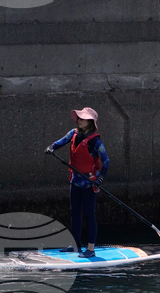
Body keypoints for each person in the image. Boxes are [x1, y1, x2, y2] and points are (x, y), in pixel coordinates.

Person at [45, 107, 110, 258]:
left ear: (90, 122)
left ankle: (91, 249)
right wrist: (51, 147)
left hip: (90, 183)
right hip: (75, 180)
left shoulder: (95, 141)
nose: (79, 120)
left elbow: (106, 161)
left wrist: (100, 179)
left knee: (89, 214)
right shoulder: (73, 133)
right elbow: (59, 142)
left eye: (83, 118)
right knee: (75, 213)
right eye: (79, 117)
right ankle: (75, 245)